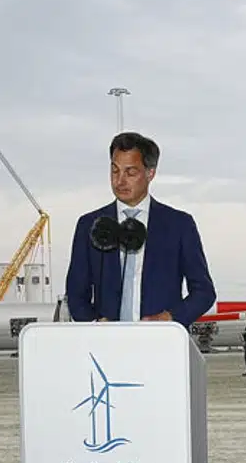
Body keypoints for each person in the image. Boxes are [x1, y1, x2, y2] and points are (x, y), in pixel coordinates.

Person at [65, 132, 217, 326]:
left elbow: (204, 292)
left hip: (161, 342)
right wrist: (96, 323)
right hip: (103, 346)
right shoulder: (89, 225)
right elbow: (76, 294)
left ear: (150, 173)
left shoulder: (179, 225)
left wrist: (170, 318)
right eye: (115, 171)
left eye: (130, 173)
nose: (120, 181)